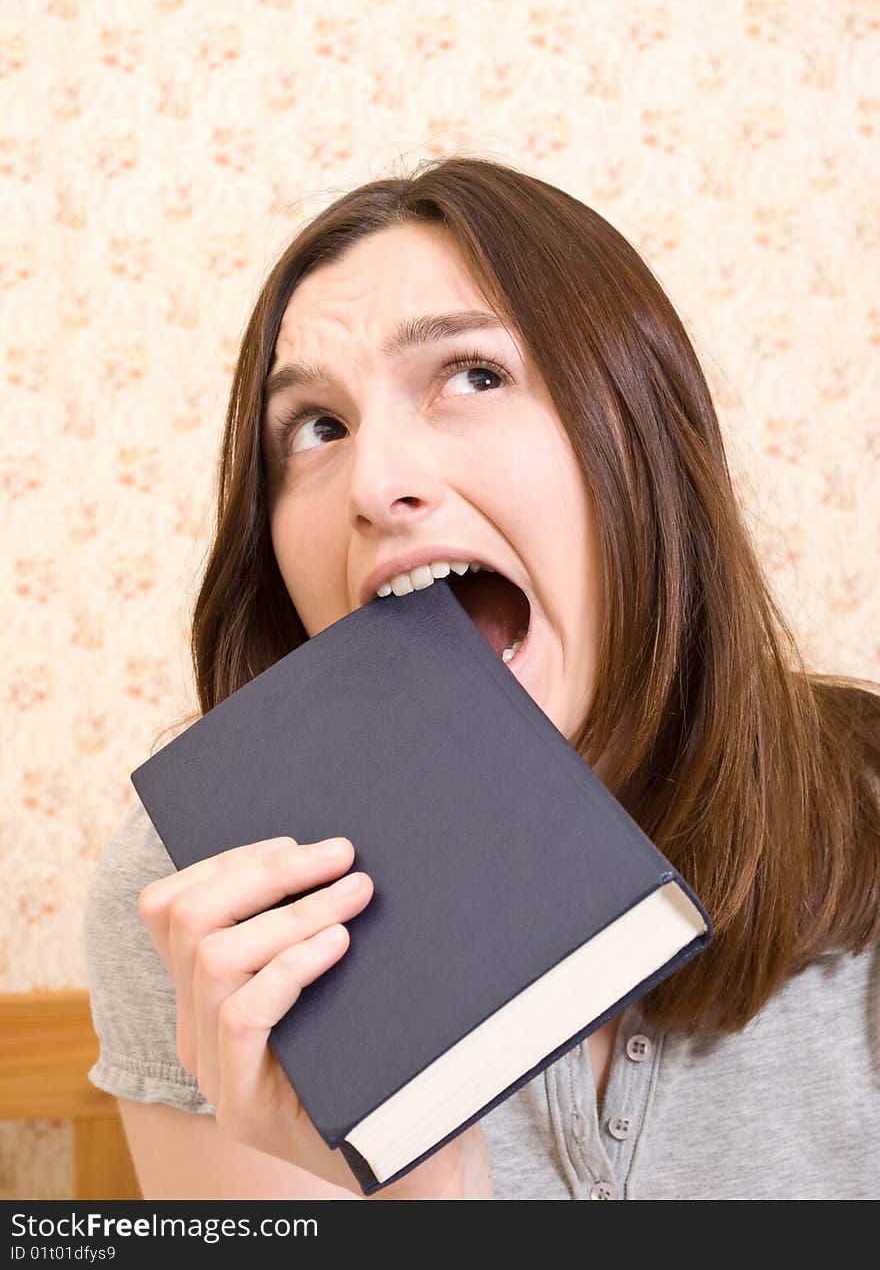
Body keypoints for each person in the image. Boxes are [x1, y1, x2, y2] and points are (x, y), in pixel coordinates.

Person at [83, 156, 880, 1200]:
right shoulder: (203, 904)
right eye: (316, 427)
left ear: (638, 437)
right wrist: (419, 1198)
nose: (372, 482)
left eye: (472, 374)